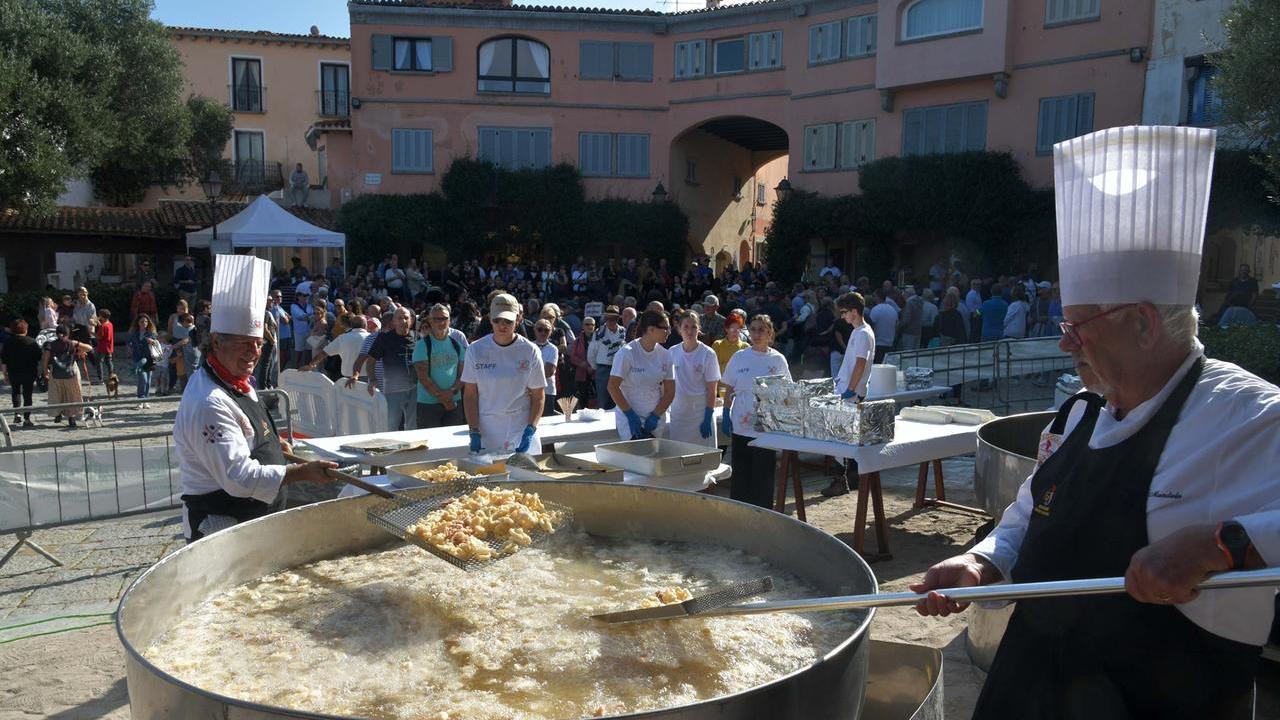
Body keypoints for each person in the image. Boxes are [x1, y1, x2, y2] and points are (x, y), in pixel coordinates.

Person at [912, 126, 1279, 718]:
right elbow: (1033, 511)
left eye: (1079, 324)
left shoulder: (1251, 417)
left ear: (1142, 322)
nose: (1064, 342)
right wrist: (985, 560)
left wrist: (1221, 546)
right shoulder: (1082, 409)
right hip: (1030, 684)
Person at [175, 254, 336, 543]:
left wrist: (275, 444)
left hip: (255, 521)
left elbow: (250, 432)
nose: (253, 353)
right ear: (215, 342)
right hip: (223, 528)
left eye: (258, 343)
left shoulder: (234, 378)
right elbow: (239, 478)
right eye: (243, 344)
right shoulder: (209, 401)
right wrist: (302, 472)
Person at [461, 293, 546, 455]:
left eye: (508, 321)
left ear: (518, 319)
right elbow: (470, 395)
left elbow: (538, 395)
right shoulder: (475, 349)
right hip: (487, 429)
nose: (502, 326)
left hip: (521, 427)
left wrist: (531, 429)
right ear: (489, 318)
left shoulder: (530, 351)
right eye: (497, 320)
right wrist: (473, 430)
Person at [721, 315, 790, 509]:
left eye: (761, 330)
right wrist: (726, 414)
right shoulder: (740, 357)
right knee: (742, 474)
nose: (757, 334)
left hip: (766, 428)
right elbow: (729, 389)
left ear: (770, 333)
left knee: (763, 475)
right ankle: (740, 513)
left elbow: (786, 392)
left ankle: (763, 514)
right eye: (753, 329)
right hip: (741, 425)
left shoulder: (777, 359)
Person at [823, 292, 876, 497]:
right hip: (847, 390)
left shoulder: (862, 333)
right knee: (844, 438)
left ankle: (841, 480)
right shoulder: (858, 331)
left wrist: (851, 389)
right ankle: (849, 478)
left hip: (851, 393)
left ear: (855, 311)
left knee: (840, 438)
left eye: (844, 312)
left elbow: (861, 364)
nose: (842, 316)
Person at [608, 309, 676, 440]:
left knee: (653, 458)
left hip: (655, 419)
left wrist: (656, 415)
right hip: (629, 419)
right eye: (665, 328)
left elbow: (670, 392)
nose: (669, 332)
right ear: (651, 329)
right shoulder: (627, 353)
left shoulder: (666, 355)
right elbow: (612, 387)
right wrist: (630, 415)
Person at [358, 306, 417, 431]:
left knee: (413, 426)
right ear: (393, 322)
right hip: (393, 390)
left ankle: (412, 450)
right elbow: (370, 361)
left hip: (415, 389)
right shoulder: (384, 338)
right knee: (391, 425)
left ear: (411, 321)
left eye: (406, 318)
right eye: (399, 318)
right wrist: (373, 380)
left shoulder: (417, 337)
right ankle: (392, 450)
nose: (403, 321)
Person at [668, 312, 720, 447]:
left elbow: (712, 389)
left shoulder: (708, 354)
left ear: (699, 329)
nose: (689, 331)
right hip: (679, 414)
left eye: (693, 327)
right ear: (679, 329)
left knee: (703, 460)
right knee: (679, 456)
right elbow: (665, 385)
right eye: (685, 327)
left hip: (700, 413)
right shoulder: (672, 352)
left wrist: (708, 415)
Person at [412, 305, 465, 429]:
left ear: (449, 320)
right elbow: (423, 377)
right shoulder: (422, 345)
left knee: (453, 444)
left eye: (444, 318)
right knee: (430, 445)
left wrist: (451, 393)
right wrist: (445, 399)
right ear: (430, 321)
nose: (441, 322)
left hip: (454, 403)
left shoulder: (456, 345)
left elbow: (462, 375)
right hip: (429, 405)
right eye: (436, 319)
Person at [41, 325, 92, 429]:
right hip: (71, 373)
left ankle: (57, 413)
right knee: (72, 395)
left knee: (56, 394)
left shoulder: (50, 345)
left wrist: (45, 371)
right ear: (68, 334)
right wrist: (81, 350)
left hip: (56, 373)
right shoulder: (72, 343)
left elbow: (45, 359)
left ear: (56, 333)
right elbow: (89, 348)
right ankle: (71, 418)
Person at [2, 320, 42, 428]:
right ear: (25, 329)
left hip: (14, 372)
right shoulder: (32, 342)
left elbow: (4, 361)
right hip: (29, 372)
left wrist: (5, 375)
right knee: (27, 395)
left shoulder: (8, 342)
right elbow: (39, 358)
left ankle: (17, 414)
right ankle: (27, 418)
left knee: (16, 392)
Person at [305, 314, 369, 379]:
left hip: (347, 378)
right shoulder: (372, 338)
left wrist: (311, 365)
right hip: (368, 377)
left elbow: (323, 353)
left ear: (352, 325)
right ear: (365, 325)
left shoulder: (342, 338)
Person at [588, 306, 626, 410]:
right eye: (607, 319)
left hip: (619, 369)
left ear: (618, 319)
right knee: (602, 400)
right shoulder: (598, 333)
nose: (609, 321)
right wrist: (596, 367)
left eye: (612, 319)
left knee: (618, 399)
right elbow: (591, 353)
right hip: (603, 369)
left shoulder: (623, 332)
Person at [129, 315, 159, 408]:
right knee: (143, 379)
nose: (144, 323)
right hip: (138, 359)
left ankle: (146, 400)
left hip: (149, 359)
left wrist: (153, 342)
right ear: (138, 323)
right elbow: (128, 342)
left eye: (146, 321)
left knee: (148, 380)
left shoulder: (151, 333)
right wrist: (130, 348)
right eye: (142, 321)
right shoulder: (134, 333)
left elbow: (156, 343)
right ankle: (140, 399)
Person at [533, 318, 561, 416]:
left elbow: (549, 372)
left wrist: (531, 375)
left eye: (547, 330)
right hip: (530, 392)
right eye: (540, 329)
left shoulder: (553, 349)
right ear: (535, 330)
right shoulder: (529, 347)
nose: (543, 332)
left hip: (548, 391)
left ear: (551, 332)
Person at [569, 315, 596, 410]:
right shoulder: (577, 341)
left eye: (592, 324)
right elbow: (573, 357)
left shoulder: (598, 340)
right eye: (587, 324)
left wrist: (592, 367)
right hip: (582, 375)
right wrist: (585, 365)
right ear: (583, 326)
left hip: (595, 374)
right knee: (583, 399)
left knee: (596, 399)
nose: (589, 326)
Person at [712, 310, 749, 376]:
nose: (735, 332)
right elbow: (712, 369)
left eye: (738, 329)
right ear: (726, 329)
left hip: (738, 385)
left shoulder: (746, 347)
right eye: (732, 329)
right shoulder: (717, 344)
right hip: (720, 385)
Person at [867, 292, 898, 363]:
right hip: (890, 344)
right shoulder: (893, 310)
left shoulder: (875, 310)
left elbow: (871, 327)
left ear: (877, 297)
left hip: (878, 344)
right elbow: (896, 325)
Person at [93, 309, 114, 385]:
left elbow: (99, 337)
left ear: (102, 316)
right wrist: (99, 323)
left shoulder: (103, 326)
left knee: (99, 362)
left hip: (102, 347)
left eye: (100, 316)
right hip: (109, 346)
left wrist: (90, 332)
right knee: (109, 362)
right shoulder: (109, 324)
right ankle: (111, 377)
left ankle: (100, 379)